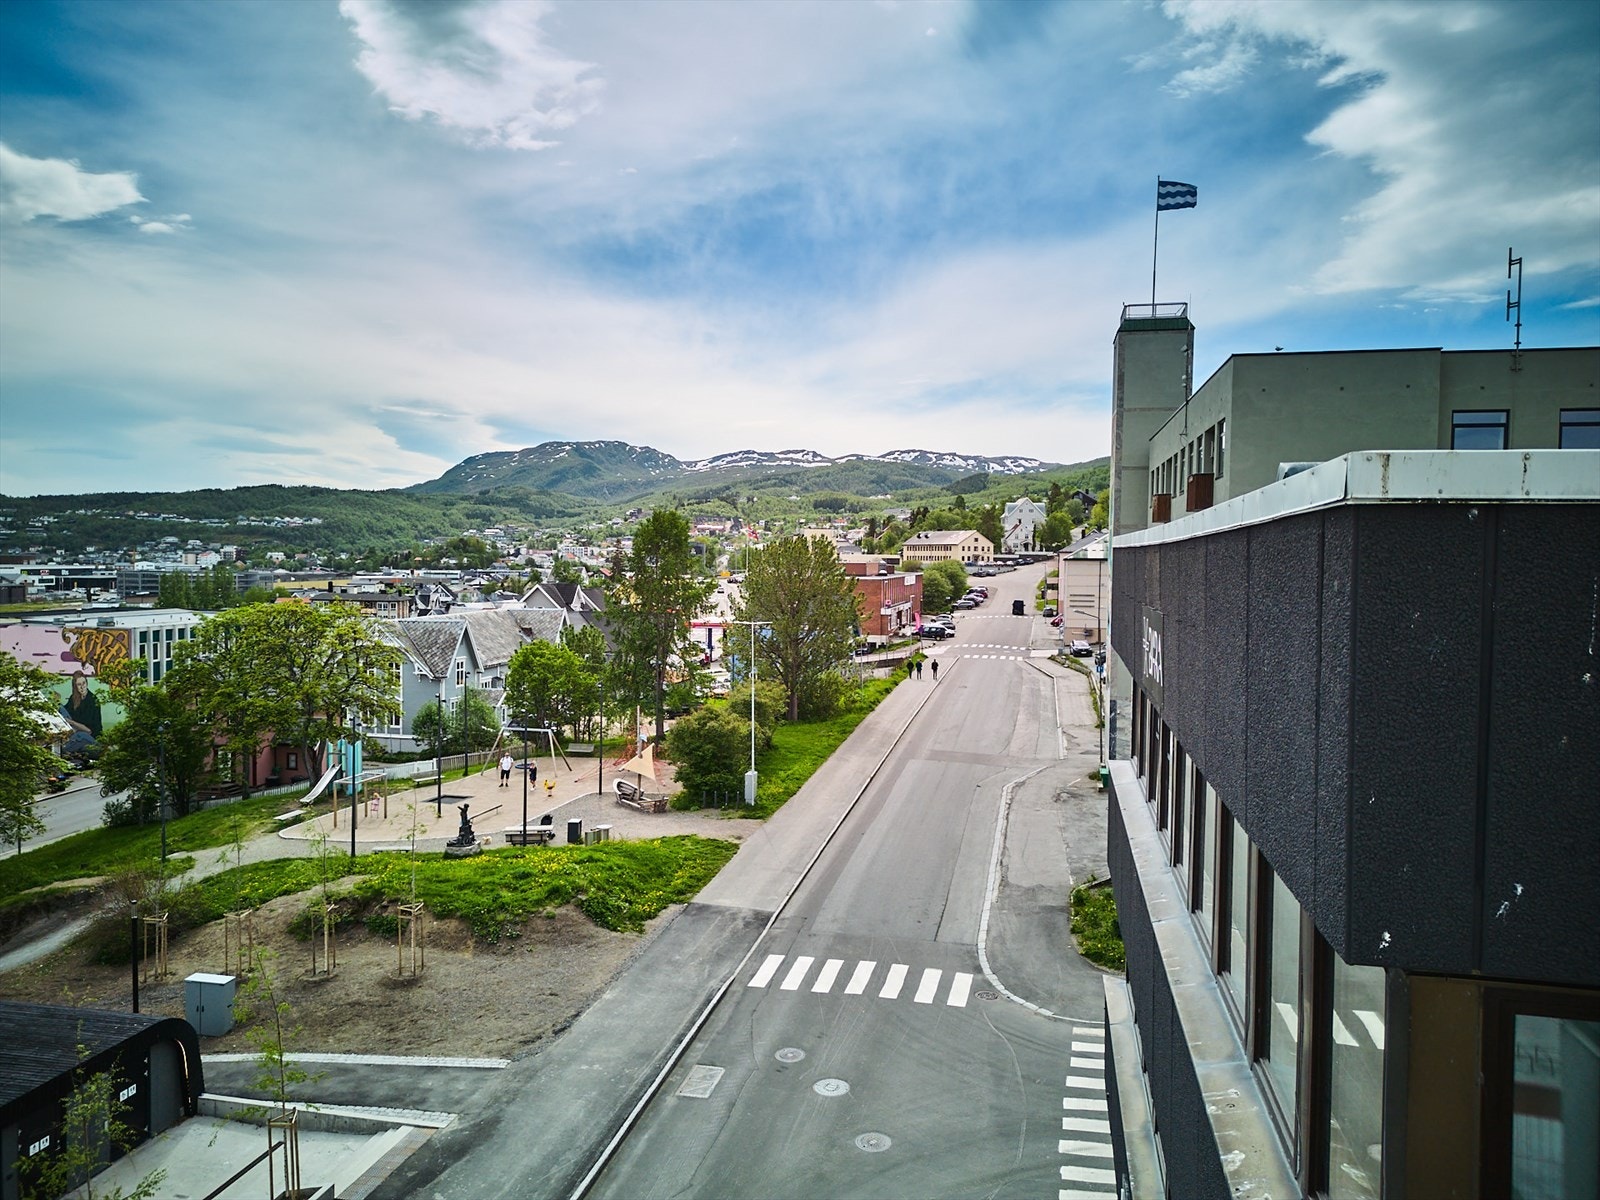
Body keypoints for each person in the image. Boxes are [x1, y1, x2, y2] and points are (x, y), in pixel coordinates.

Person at [61, 670, 101, 754]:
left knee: (80, 736)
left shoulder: (92, 700)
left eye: (84, 683)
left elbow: (88, 731)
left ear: (87, 683)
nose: (82, 687)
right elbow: (65, 711)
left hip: (91, 737)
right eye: (79, 685)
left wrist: (71, 722)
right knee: (59, 707)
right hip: (75, 731)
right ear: (75, 686)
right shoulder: (74, 698)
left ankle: (62, 751)